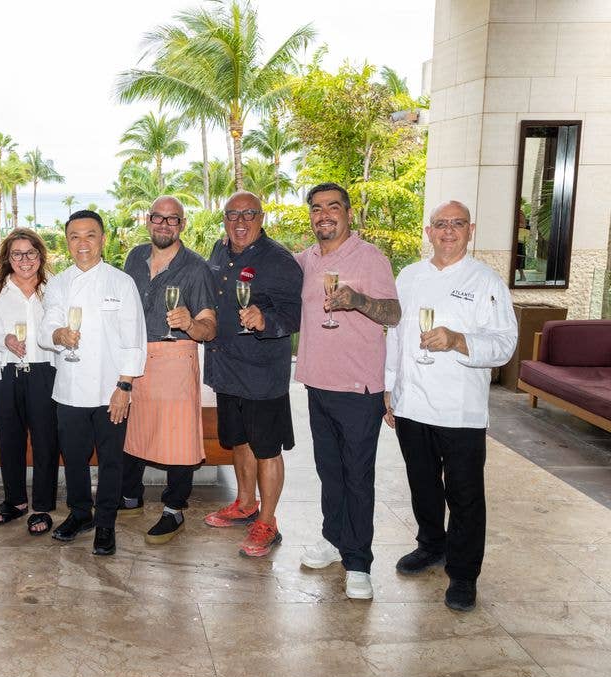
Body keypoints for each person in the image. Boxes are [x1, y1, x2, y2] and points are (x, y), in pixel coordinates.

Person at [385, 200, 517, 612]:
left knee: (464, 495)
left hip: (460, 409)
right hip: (412, 405)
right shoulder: (408, 276)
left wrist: (459, 340)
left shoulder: (486, 281)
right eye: (440, 224)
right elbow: (394, 336)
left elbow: (504, 345)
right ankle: (431, 545)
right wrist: (390, 390)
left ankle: (463, 574)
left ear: (469, 230)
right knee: (422, 485)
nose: (447, 231)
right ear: (429, 231)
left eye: (456, 224)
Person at [293, 183, 400, 600]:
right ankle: (333, 538)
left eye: (332, 207)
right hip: (318, 383)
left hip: (359, 389)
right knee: (329, 471)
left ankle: (359, 562)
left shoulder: (370, 257)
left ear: (348, 213)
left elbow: (393, 311)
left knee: (357, 476)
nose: (324, 214)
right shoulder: (307, 260)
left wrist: (356, 299)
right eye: (316, 208)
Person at [39, 209, 146, 556]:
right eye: (74, 236)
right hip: (69, 389)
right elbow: (46, 329)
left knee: (112, 460)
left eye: (90, 235)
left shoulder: (121, 282)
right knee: (73, 458)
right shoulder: (58, 283)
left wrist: (125, 387)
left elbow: (135, 340)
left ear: (103, 239)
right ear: (67, 242)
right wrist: (58, 334)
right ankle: (81, 513)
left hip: (110, 390)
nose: (82, 243)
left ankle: (106, 524)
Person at [203, 190, 303, 557]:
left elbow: (297, 315)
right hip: (226, 367)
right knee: (238, 441)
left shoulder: (279, 261)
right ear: (224, 219)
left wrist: (266, 320)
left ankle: (268, 520)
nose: (240, 222)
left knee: (266, 449)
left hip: (262, 375)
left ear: (261, 218)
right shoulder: (218, 251)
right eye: (232, 215)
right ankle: (245, 504)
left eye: (249, 214)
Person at [120, 196, 216, 544]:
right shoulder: (133, 257)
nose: (163, 225)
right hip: (135, 356)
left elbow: (210, 327)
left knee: (178, 438)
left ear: (183, 225)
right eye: (157, 218)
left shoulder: (196, 267)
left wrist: (190, 323)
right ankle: (130, 497)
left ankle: (174, 509)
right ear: (148, 221)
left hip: (175, 357)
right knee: (132, 429)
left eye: (172, 219)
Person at [0, 229, 60, 536]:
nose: (24, 260)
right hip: (6, 372)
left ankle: (41, 506)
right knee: (10, 440)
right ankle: (15, 501)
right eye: (17, 254)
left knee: (45, 442)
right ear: (7, 258)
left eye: (30, 253)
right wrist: (6, 339)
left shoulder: (54, 288)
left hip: (44, 371)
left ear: (40, 255)